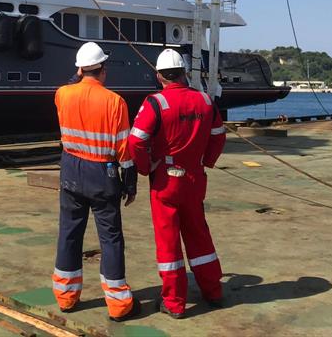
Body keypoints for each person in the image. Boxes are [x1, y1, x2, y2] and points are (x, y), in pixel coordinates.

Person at [128, 49, 226, 319]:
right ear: (184, 73)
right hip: (195, 179)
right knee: (199, 234)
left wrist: (147, 168)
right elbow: (218, 135)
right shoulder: (206, 101)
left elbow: (136, 141)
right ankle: (213, 290)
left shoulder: (155, 103)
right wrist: (207, 161)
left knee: (168, 242)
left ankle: (174, 302)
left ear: (159, 76)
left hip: (166, 181)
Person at [51, 42, 139, 321]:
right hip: (102, 174)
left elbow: (70, 85)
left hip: (71, 171)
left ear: (79, 69)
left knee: (69, 233)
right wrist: (130, 180)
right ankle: (118, 305)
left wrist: (78, 75)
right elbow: (124, 147)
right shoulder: (114, 102)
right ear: (103, 69)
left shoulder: (62, 94)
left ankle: (66, 298)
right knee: (110, 239)